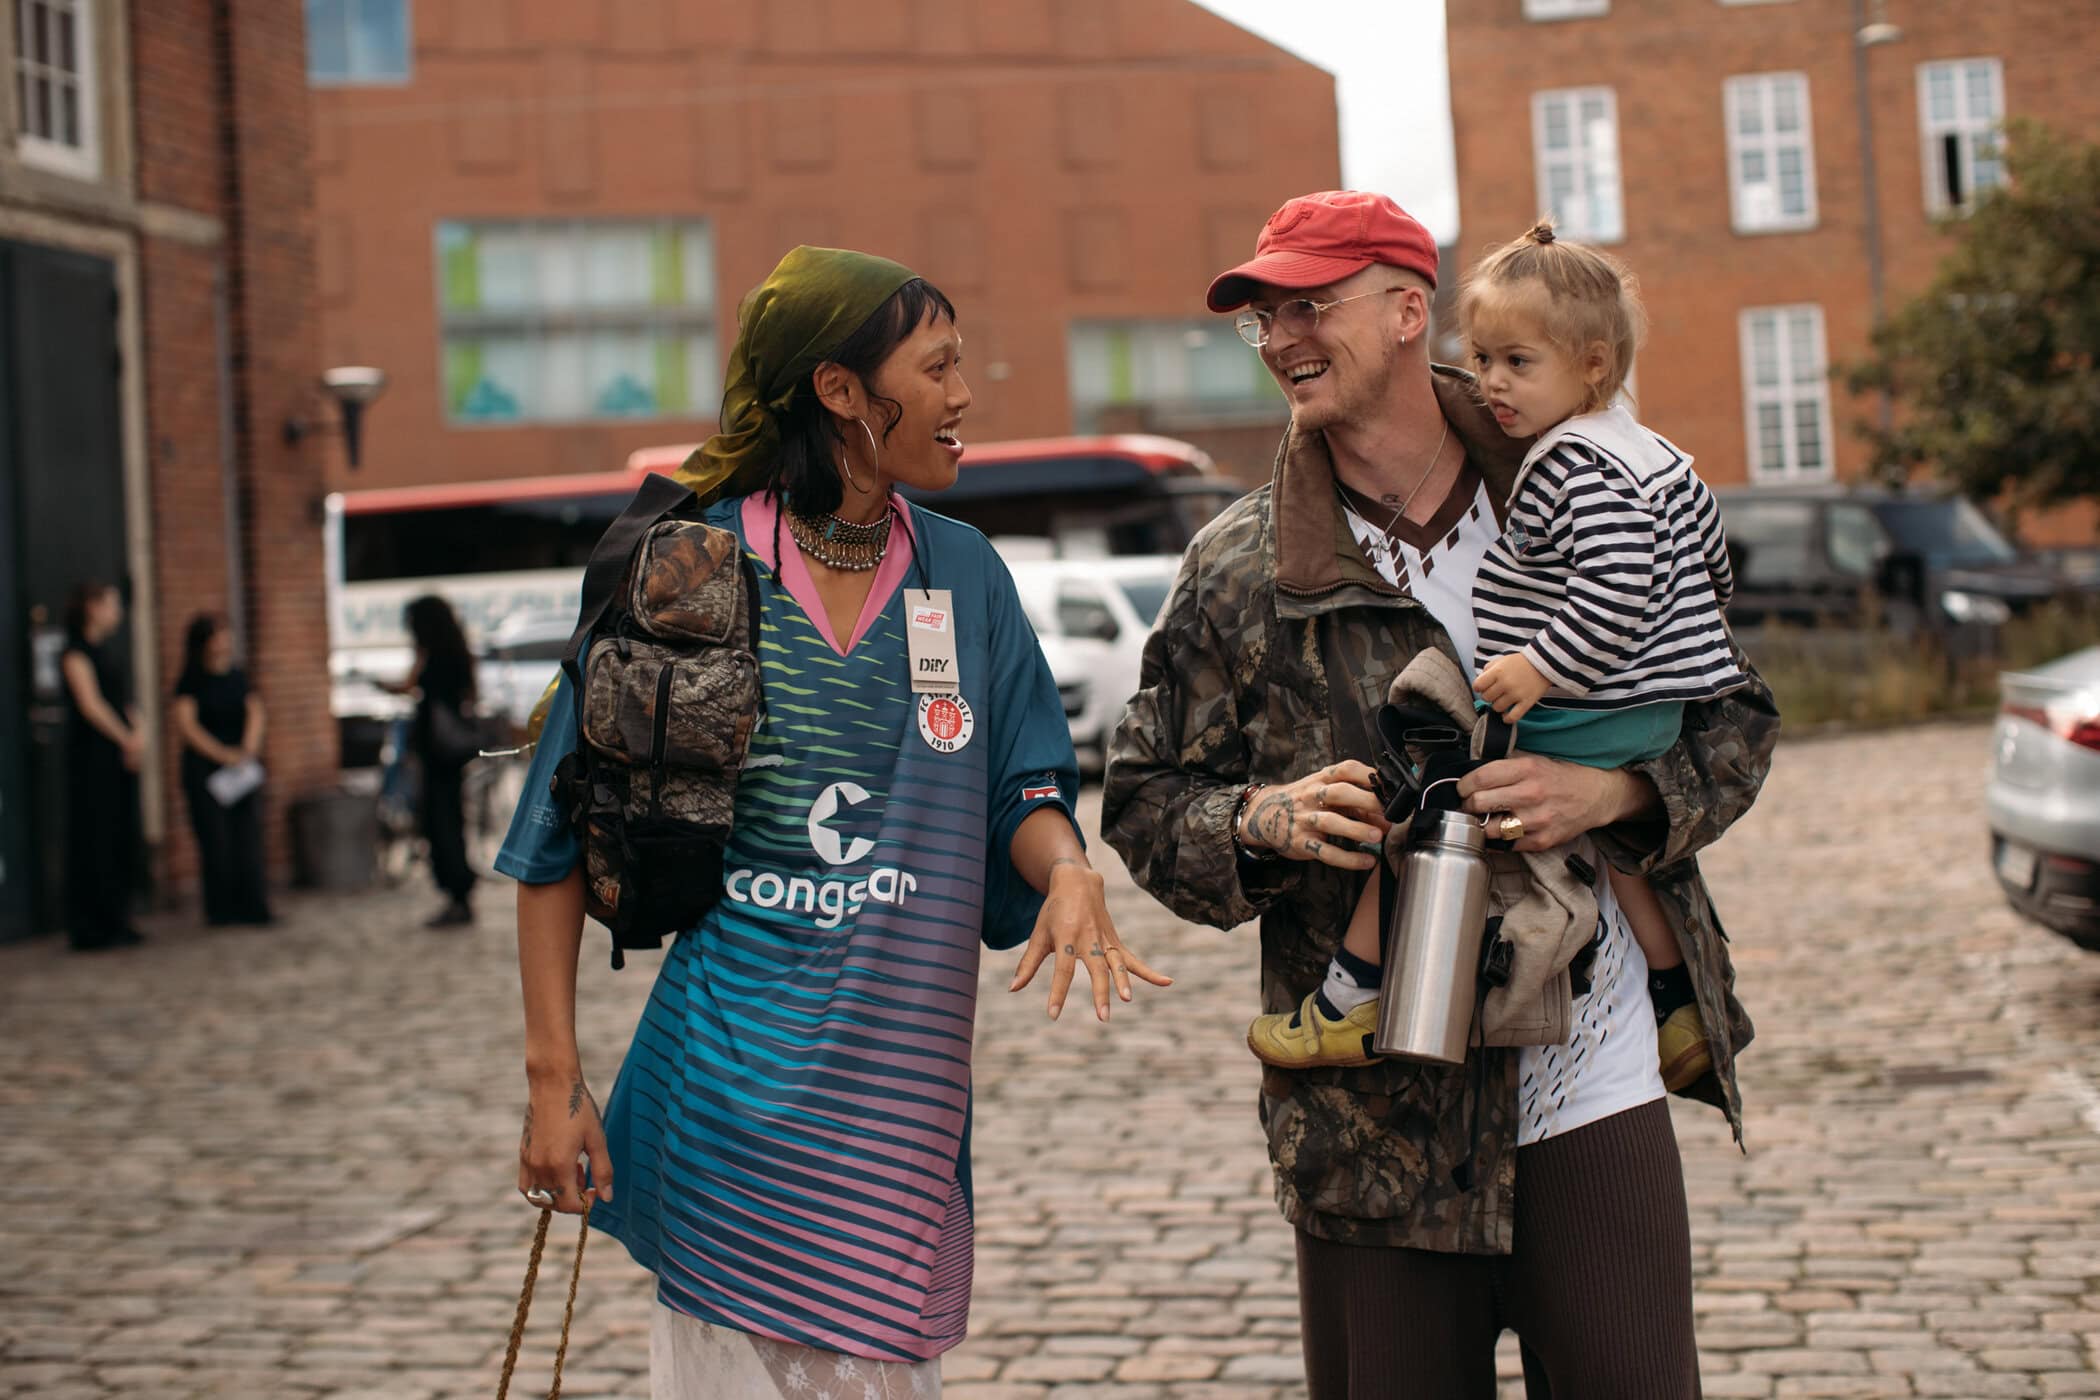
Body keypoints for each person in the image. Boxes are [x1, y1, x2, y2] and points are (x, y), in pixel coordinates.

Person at [1101, 191, 1780, 1399]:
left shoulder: (1591, 483)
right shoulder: (1238, 568)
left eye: (1311, 304)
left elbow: (1734, 716)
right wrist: (1264, 819)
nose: (1282, 337)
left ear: (1409, 309)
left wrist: (1611, 790)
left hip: (1591, 1078)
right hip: (1374, 1131)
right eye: (1264, 317)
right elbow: (1146, 803)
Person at [497, 246, 1170, 1398]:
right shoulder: (689, 568)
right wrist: (553, 1080)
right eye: (937, 368)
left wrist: (1066, 867)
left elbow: (1025, 787)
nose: (964, 395)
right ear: (840, 389)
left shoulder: (964, 575)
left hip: (901, 1121)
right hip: (723, 1114)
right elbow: (553, 836)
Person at [1246, 220, 1746, 1094]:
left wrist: (1546, 672)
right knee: (1604, 843)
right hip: (1644, 705)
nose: (1494, 383)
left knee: (1426, 798)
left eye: (1311, 306)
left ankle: (1351, 996)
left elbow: (1636, 604)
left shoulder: (1563, 465)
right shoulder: (1655, 451)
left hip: (1600, 1063)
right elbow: (1708, 563)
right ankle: (1677, 1002)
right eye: (1483, 359)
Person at [172, 612, 274, 927]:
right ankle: (222, 908)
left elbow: (255, 710)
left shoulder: (236, 676)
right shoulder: (191, 681)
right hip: (206, 770)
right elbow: (187, 726)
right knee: (216, 840)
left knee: (247, 836)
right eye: (217, 636)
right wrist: (222, 754)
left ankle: (252, 903)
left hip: (240, 769)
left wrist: (247, 748)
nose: (224, 642)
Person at [59, 581, 145, 952]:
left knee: (119, 832)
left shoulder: (108, 652)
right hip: (93, 756)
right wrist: (125, 737)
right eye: (111, 604)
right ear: (91, 607)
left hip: (118, 755)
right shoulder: (74, 655)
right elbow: (91, 705)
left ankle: (118, 915)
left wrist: (138, 733)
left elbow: (123, 700)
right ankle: (93, 922)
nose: (117, 611)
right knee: (95, 834)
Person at [392, 595, 479, 928]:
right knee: (451, 818)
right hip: (451, 750)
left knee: (440, 821)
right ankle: (459, 892)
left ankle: (456, 891)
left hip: (437, 749)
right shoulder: (458, 652)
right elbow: (470, 696)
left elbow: (409, 684)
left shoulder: (431, 654)